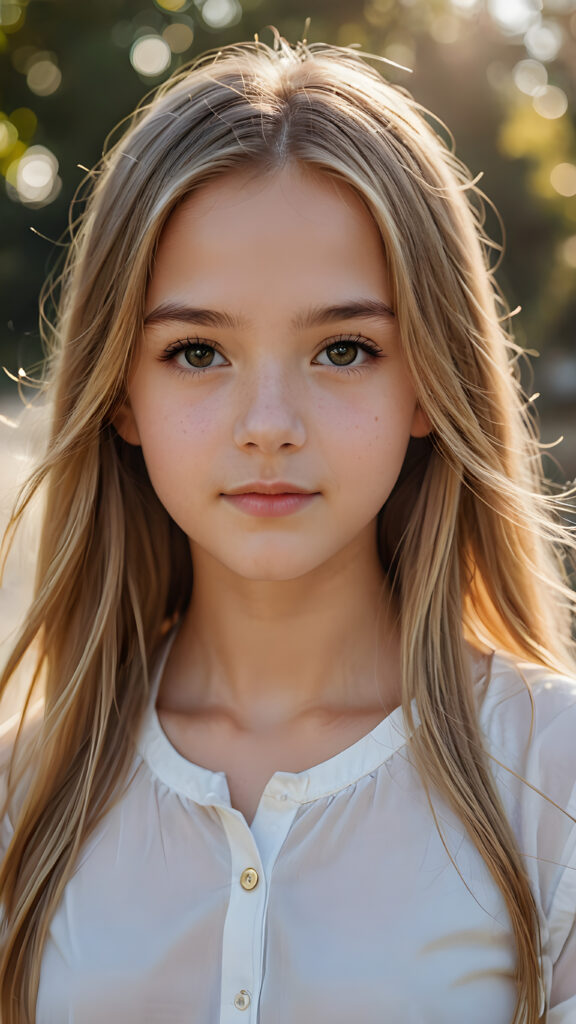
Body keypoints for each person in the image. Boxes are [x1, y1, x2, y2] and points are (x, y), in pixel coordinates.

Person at [0, 28, 575, 1024]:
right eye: (195, 352)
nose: (269, 425)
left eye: (344, 348)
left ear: (430, 383)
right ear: (120, 395)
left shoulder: (553, 777)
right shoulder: (26, 793)